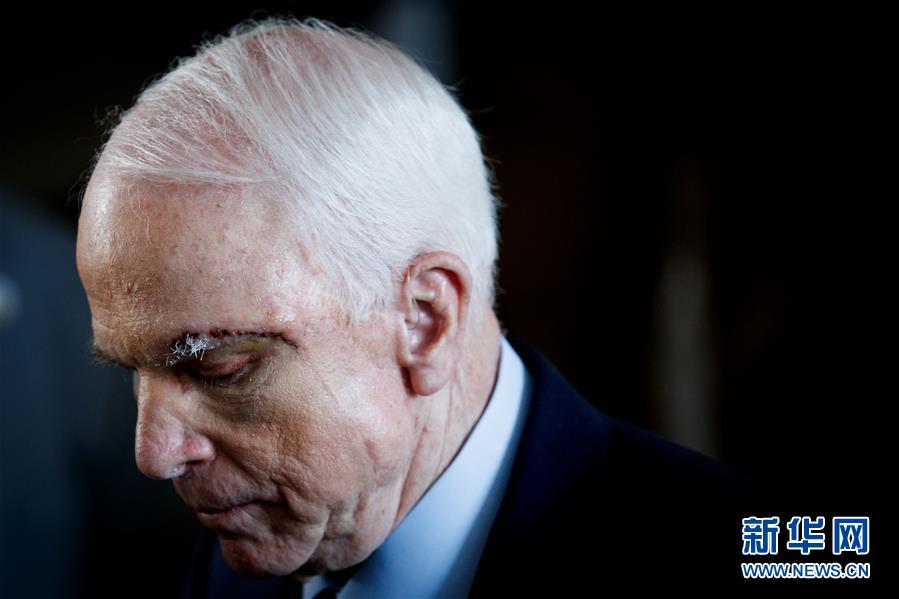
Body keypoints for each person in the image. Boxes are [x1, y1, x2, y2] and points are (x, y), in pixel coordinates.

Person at [76, 16, 772, 597]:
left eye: (219, 369)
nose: (154, 453)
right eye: (132, 371)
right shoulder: (232, 567)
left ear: (425, 320)